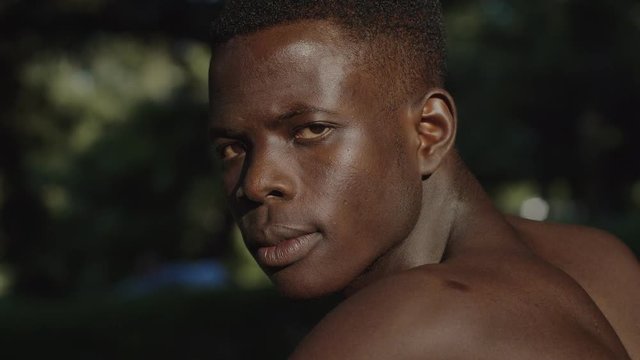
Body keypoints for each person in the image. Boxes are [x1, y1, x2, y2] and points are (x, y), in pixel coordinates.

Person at [208, 1, 640, 358]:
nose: (256, 182)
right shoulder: (602, 263)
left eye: (311, 130)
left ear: (428, 132)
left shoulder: (391, 336)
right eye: (233, 147)